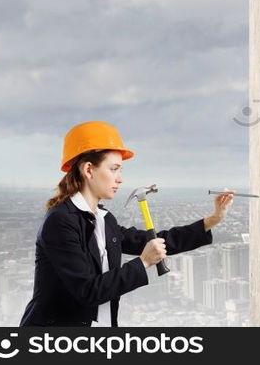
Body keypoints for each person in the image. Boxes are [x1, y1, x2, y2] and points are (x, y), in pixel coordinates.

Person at [20, 120, 234, 327]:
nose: (120, 179)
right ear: (88, 170)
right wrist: (143, 262)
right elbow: (87, 291)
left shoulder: (104, 220)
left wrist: (213, 219)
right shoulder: (60, 222)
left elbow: (157, 241)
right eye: (114, 169)